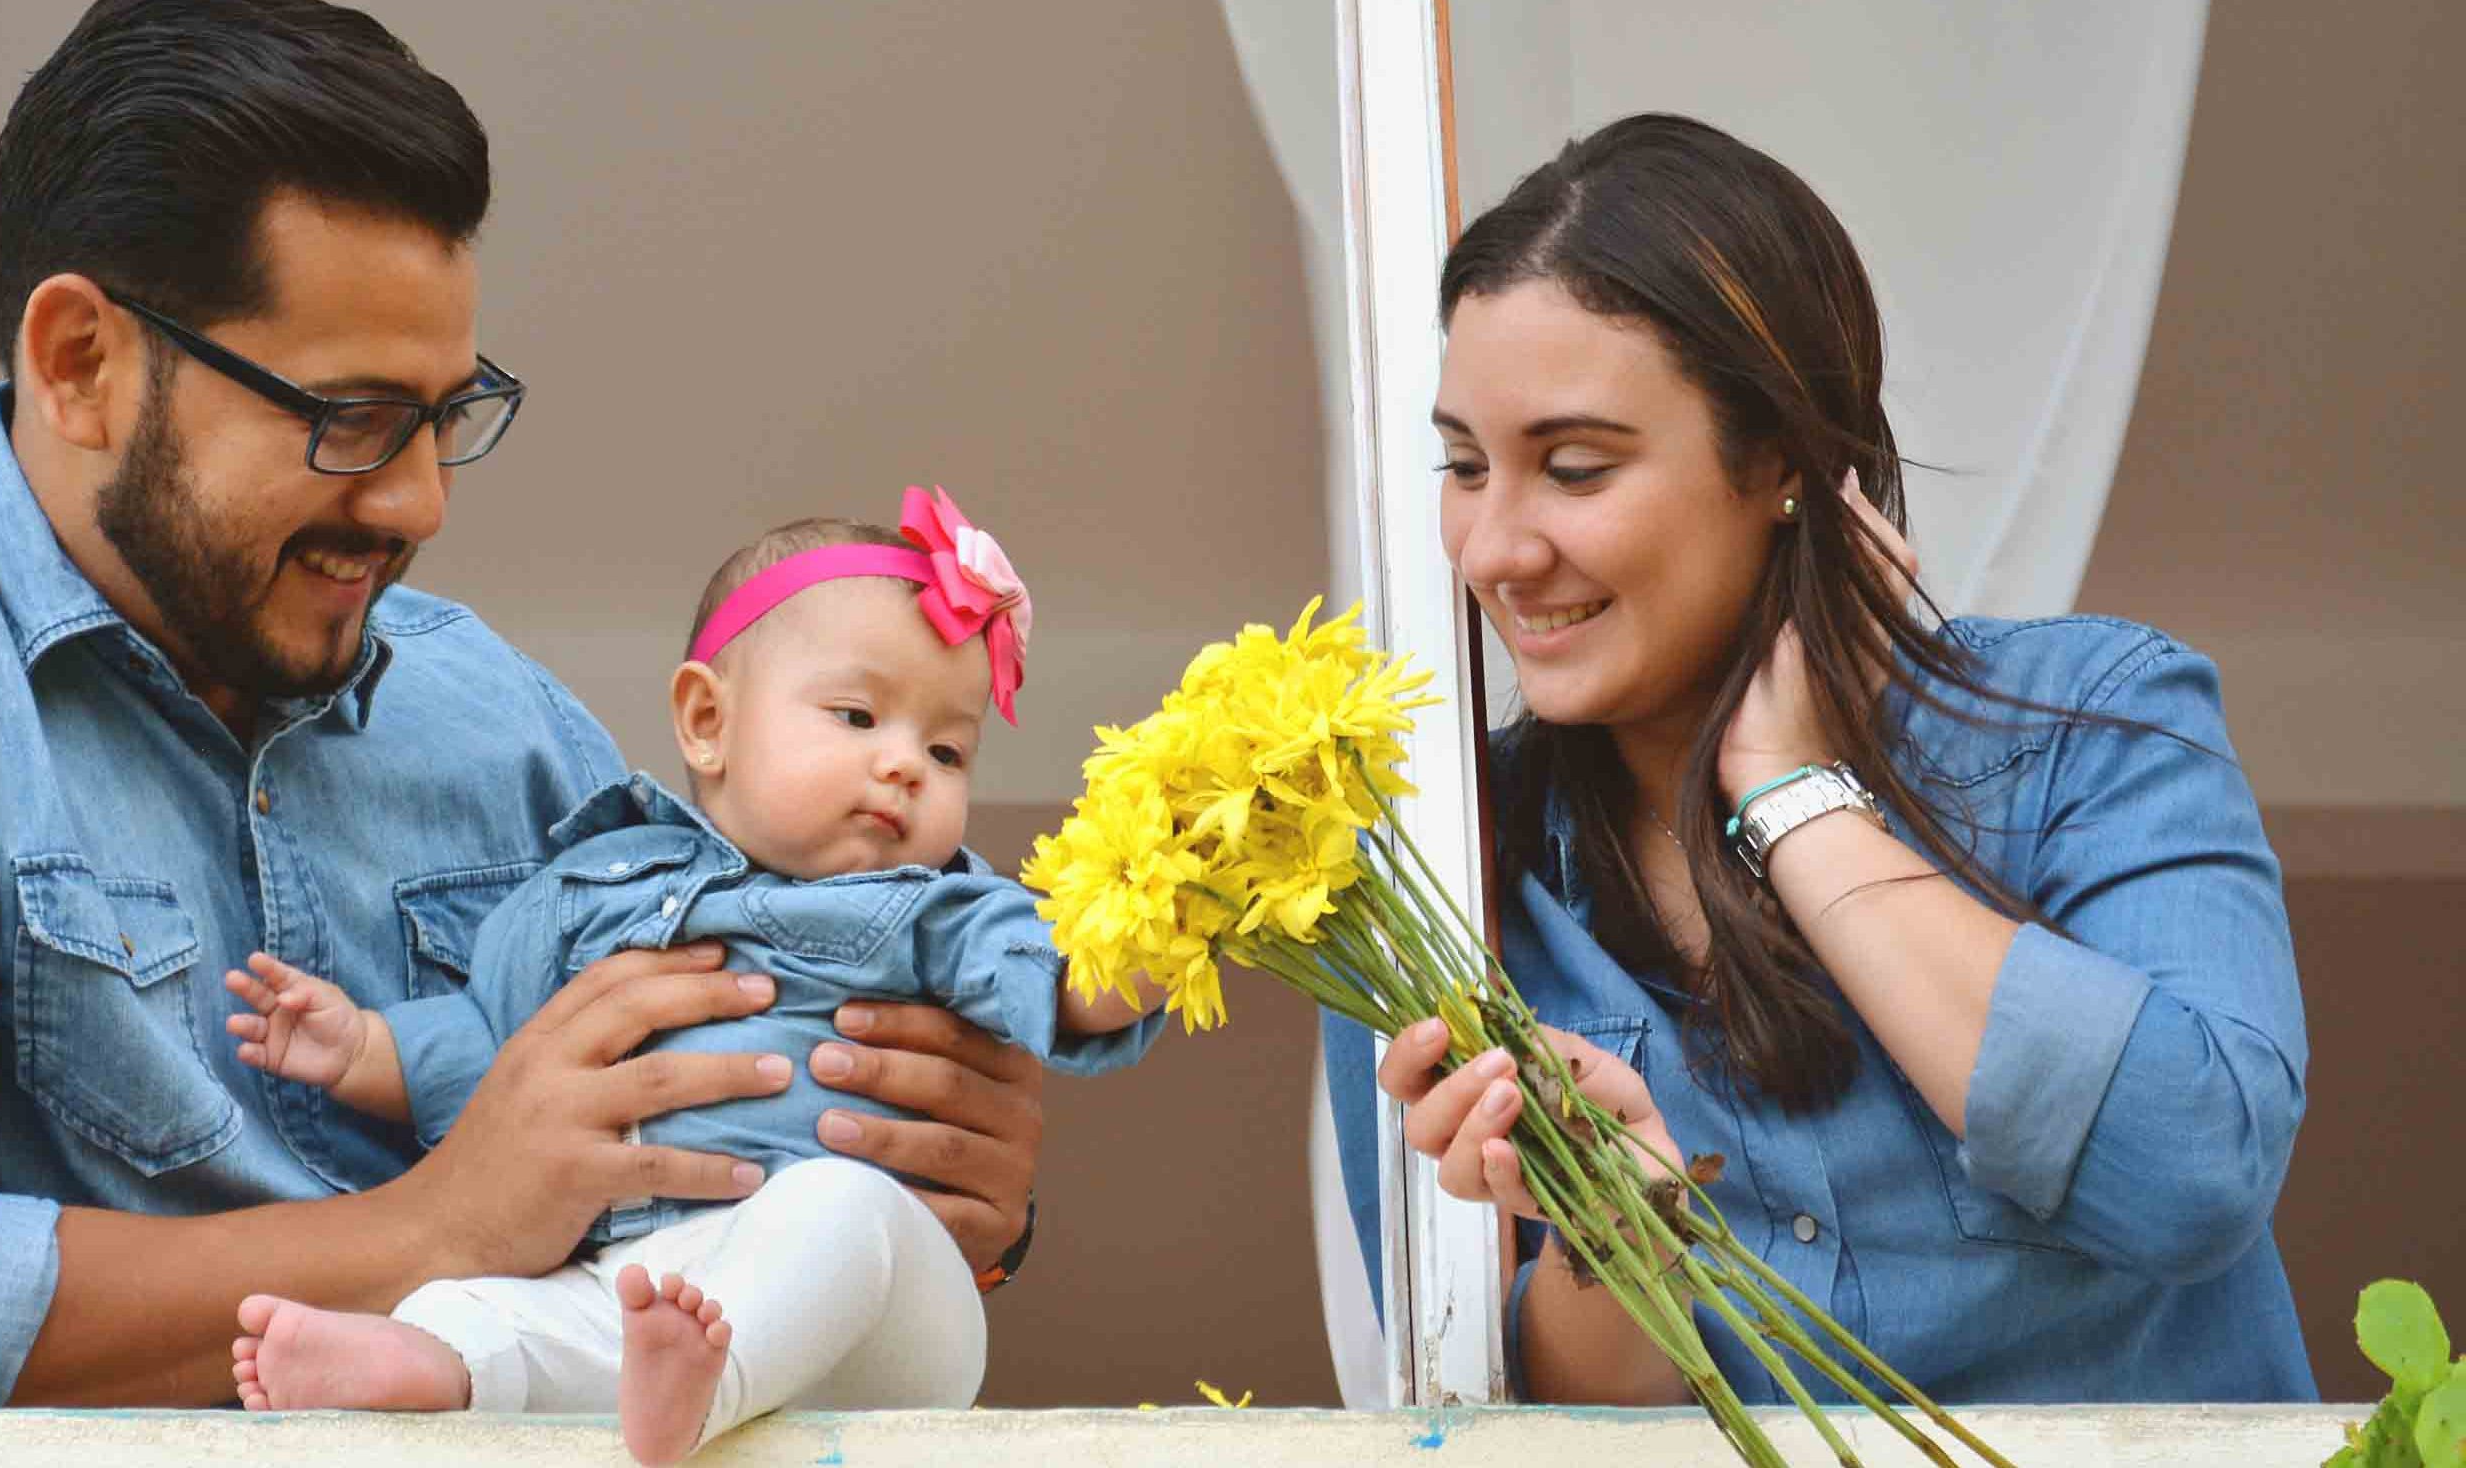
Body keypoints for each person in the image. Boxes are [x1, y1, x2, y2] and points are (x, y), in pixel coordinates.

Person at [0, 0, 1047, 1409]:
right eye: (350, 419)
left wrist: (929, 1165)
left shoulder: (504, 721)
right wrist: (431, 1232)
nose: (417, 504)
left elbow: (708, 1147)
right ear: (81, 362)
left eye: (445, 419)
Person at [1325, 113, 2312, 1403]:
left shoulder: (2093, 724)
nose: (1494, 548)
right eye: (1464, 467)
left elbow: (2192, 1170)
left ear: (1780, 459)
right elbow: (1486, 1413)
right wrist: (1630, 1241)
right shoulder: (1434, 882)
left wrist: (1798, 803)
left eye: (1572, 468)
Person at [214, 499, 1158, 1462]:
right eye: (859, 716)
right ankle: (438, 1363)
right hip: (638, 1278)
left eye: (946, 750)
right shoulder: (593, 888)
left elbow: (1060, 975)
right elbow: (490, 1042)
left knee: (842, 1208)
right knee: (477, 1299)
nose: (903, 765)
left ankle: (707, 1388)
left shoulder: (935, 908)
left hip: (877, 1308)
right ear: (708, 721)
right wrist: (362, 1046)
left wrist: (1152, 942)